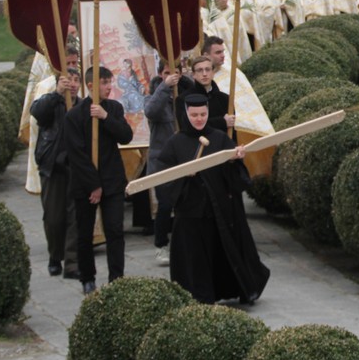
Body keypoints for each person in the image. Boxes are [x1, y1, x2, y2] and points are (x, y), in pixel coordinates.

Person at [156, 94, 270, 304]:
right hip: (189, 214)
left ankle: (226, 291)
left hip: (217, 212)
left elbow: (235, 178)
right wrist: (183, 175)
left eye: (203, 114)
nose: (199, 119)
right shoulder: (175, 143)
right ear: (186, 114)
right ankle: (198, 297)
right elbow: (163, 178)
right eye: (194, 115)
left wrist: (236, 160)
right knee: (194, 259)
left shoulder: (219, 138)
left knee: (221, 255)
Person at [66, 66, 134, 294]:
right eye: (105, 83)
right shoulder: (75, 115)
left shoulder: (113, 108)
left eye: (110, 83)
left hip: (113, 181)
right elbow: (76, 155)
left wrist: (105, 118)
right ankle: (87, 276)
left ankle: (117, 278)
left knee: (115, 230)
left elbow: (126, 137)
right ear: (92, 85)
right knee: (85, 233)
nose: (109, 88)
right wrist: (93, 185)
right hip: (86, 186)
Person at [30, 68, 81, 279]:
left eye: (77, 80)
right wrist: (57, 93)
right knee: (53, 218)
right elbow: (37, 112)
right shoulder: (52, 103)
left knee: (75, 217)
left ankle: (72, 263)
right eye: (69, 80)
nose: (74, 84)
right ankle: (54, 256)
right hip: (53, 168)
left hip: (75, 169)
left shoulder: (82, 106)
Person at [144, 59, 194, 266]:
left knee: (186, 204)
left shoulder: (185, 94)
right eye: (166, 73)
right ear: (160, 74)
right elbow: (151, 112)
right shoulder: (153, 95)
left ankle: (184, 244)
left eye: (175, 73)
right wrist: (165, 87)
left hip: (184, 158)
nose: (171, 76)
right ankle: (160, 245)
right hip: (162, 160)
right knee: (165, 205)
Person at [178, 56, 234, 135]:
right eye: (200, 70)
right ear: (193, 74)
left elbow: (232, 131)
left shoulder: (225, 99)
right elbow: (187, 127)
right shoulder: (183, 99)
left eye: (207, 69)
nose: (204, 74)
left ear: (213, 73)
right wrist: (222, 122)